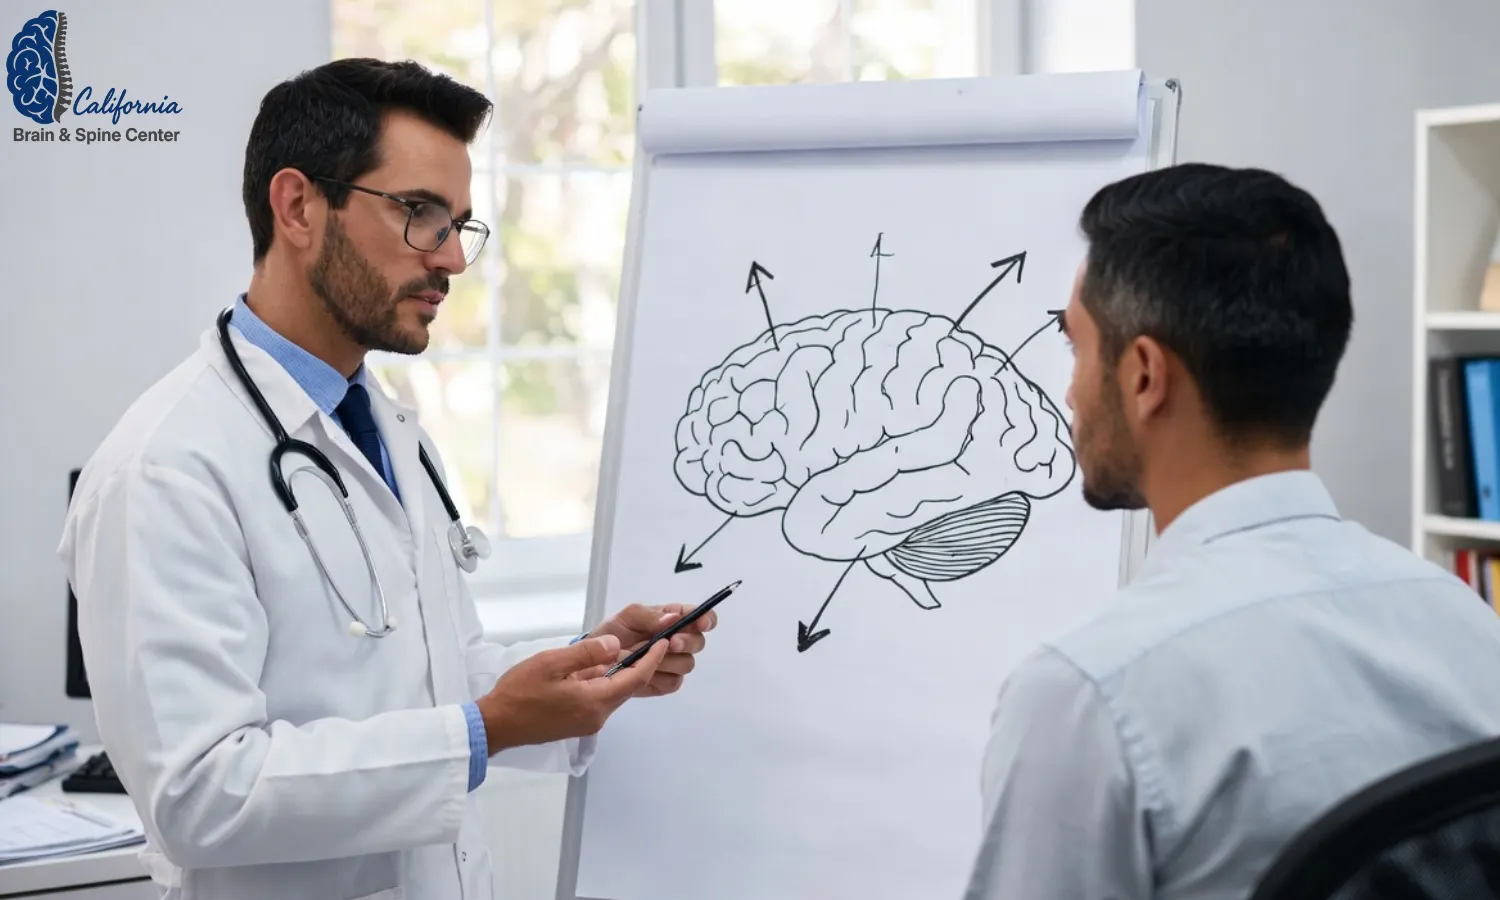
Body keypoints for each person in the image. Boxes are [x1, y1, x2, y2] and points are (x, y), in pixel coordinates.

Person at [56, 58, 715, 900]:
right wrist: (485, 730)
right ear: (297, 206)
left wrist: (586, 668)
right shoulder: (164, 469)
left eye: (459, 225)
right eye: (418, 214)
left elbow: (433, 668)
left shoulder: (387, 429)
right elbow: (200, 794)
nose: (452, 260)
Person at [962, 163, 1500, 899]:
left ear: (1145, 375)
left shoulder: (1091, 695)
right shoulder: (1467, 624)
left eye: (1076, 349)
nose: (1070, 391)